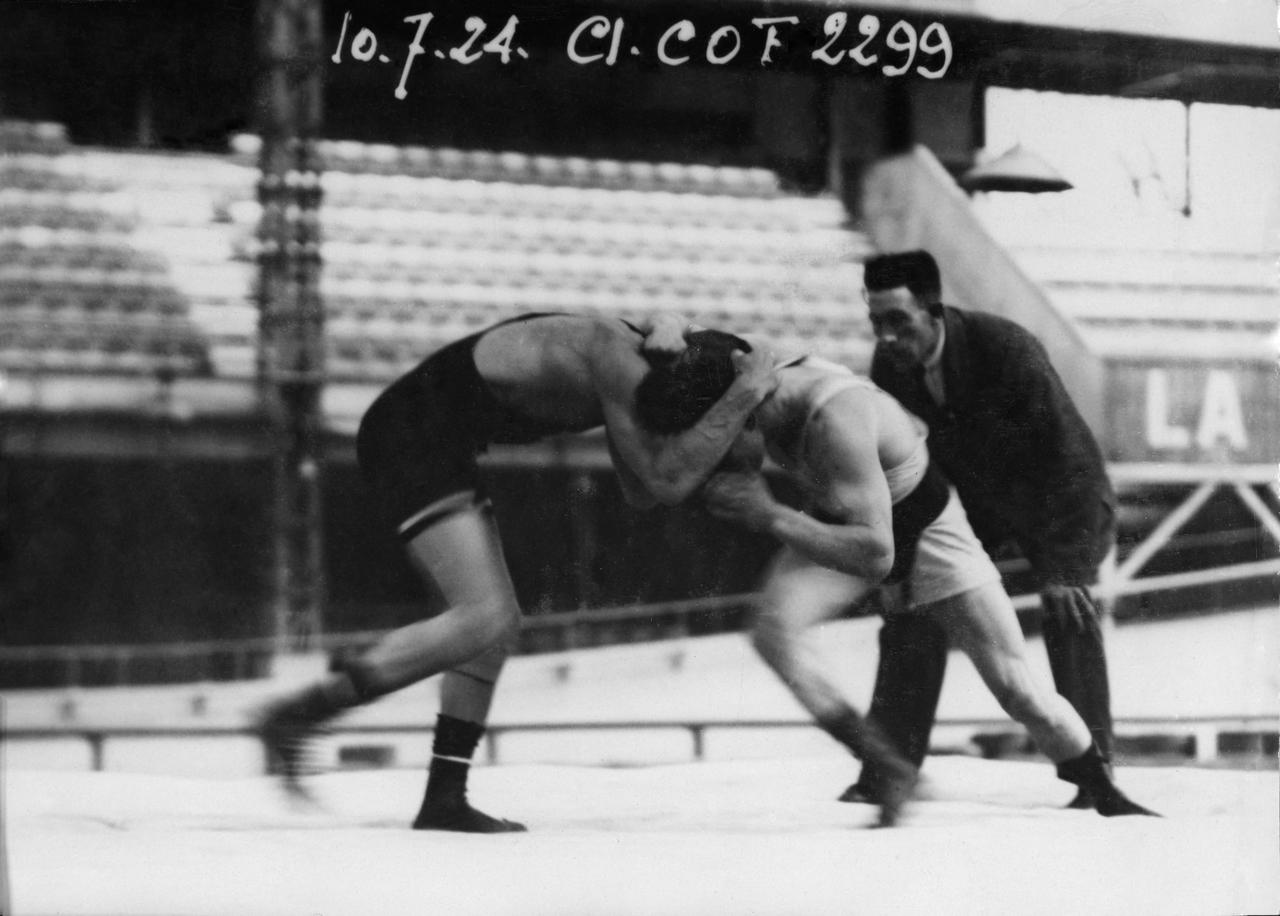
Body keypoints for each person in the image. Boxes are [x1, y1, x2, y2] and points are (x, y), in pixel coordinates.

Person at [256, 312, 777, 833]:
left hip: (437, 441)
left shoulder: (645, 365)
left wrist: (692, 348)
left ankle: (444, 797)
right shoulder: (615, 358)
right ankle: (299, 714)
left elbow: (642, 490)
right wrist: (742, 396)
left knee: (496, 627)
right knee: (481, 617)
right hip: (408, 434)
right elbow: (666, 481)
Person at [635, 330, 1156, 827]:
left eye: (722, 442)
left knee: (1016, 689)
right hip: (846, 513)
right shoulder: (740, 369)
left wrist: (769, 515)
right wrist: (667, 327)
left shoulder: (834, 418)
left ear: (742, 409)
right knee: (773, 630)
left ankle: (1102, 787)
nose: (728, 463)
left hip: (917, 524)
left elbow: (875, 554)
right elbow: (679, 341)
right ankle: (886, 764)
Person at [850, 250, 1118, 809]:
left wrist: (1065, 567)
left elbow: (1068, 459)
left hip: (1053, 496)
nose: (889, 337)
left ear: (934, 310)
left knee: (1068, 605)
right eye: (877, 322)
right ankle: (889, 767)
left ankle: (1095, 772)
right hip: (967, 505)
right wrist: (898, 570)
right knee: (910, 609)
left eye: (899, 321)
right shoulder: (888, 367)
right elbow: (900, 476)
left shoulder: (1007, 348)